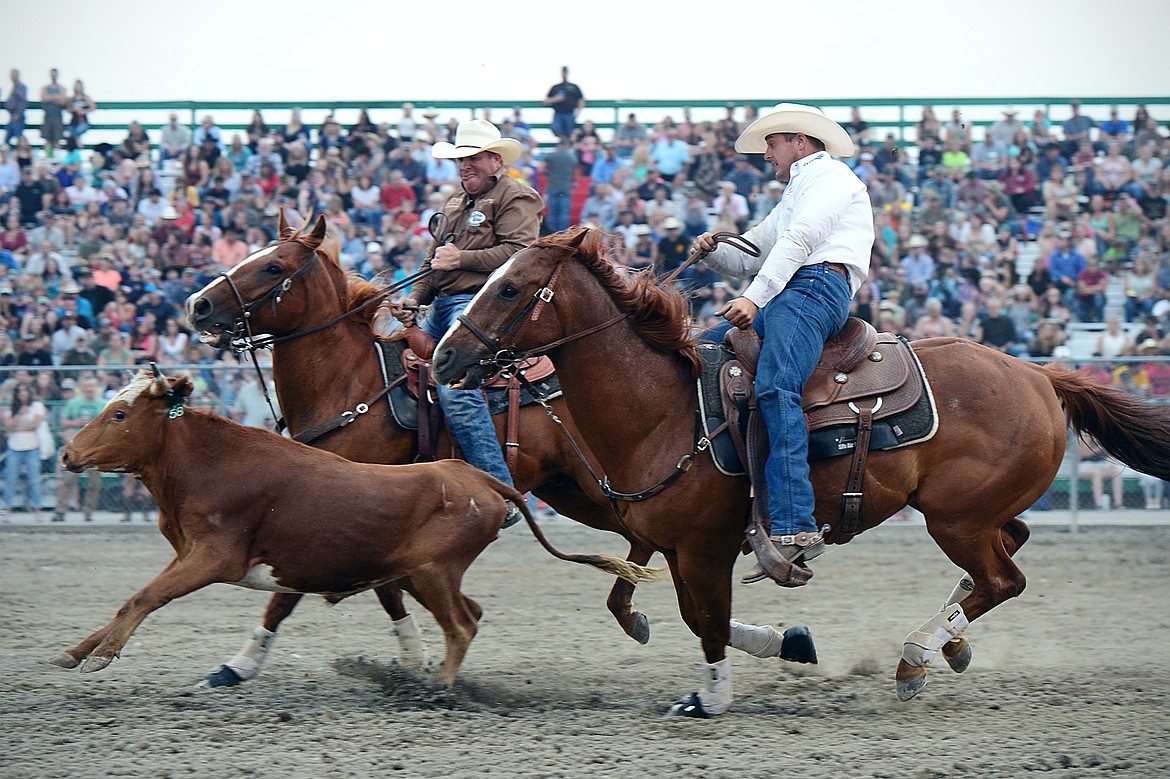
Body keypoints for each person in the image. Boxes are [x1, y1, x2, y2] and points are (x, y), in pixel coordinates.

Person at [694, 104, 872, 581]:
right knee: (702, 353)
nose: (766, 155)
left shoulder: (832, 178)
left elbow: (797, 240)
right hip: (796, 290)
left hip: (815, 288)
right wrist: (714, 251)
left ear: (800, 141)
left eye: (771, 143)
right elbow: (752, 248)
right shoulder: (801, 187)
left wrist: (752, 300)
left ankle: (795, 526)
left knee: (776, 387)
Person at [390, 119, 542, 526]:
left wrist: (464, 260)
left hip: (485, 306)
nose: (465, 167)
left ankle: (500, 490)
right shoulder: (456, 201)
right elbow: (433, 260)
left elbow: (522, 254)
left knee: (454, 385)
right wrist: (414, 299)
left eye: (473, 159)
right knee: (385, 358)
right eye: (461, 160)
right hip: (443, 302)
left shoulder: (518, 196)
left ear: (496, 160)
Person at [53, 376, 106, 522]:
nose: (89, 389)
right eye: (86, 386)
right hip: (76, 448)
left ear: (96, 388)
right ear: (82, 388)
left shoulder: (103, 404)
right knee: (68, 480)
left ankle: (88, 511)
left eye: (92, 386)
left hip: (94, 448)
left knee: (95, 482)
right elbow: (63, 422)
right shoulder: (74, 403)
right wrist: (75, 422)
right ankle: (60, 511)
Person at [2, 382, 46, 519]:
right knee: (11, 479)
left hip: (32, 446)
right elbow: (8, 426)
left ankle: (37, 508)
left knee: (33, 480)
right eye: (20, 391)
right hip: (15, 447)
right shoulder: (11, 408)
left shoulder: (36, 406)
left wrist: (20, 428)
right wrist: (19, 416)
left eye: (25, 390)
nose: (22, 394)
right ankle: (6, 509)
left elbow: (36, 424)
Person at [543, 66, 585, 140]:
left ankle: (567, 145)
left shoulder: (574, 87)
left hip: (570, 113)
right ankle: (563, 141)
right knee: (555, 129)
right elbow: (546, 101)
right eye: (563, 72)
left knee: (569, 132)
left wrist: (578, 112)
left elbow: (581, 100)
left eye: (565, 72)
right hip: (558, 113)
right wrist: (556, 99)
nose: (564, 74)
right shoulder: (555, 87)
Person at [39, 69, 68, 157]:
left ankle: (57, 157)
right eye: (52, 74)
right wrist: (55, 97)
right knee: (47, 140)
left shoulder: (61, 88)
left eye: (55, 74)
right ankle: (48, 157)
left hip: (58, 117)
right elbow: (43, 98)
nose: (53, 76)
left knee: (57, 140)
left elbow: (63, 101)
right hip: (47, 116)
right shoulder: (45, 88)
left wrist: (50, 98)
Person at [5, 69, 28, 147]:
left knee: (19, 138)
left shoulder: (21, 87)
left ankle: (20, 155)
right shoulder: (14, 87)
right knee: (7, 138)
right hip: (12, 116)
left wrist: (18, 114)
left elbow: (23, 101)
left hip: (17, 117)